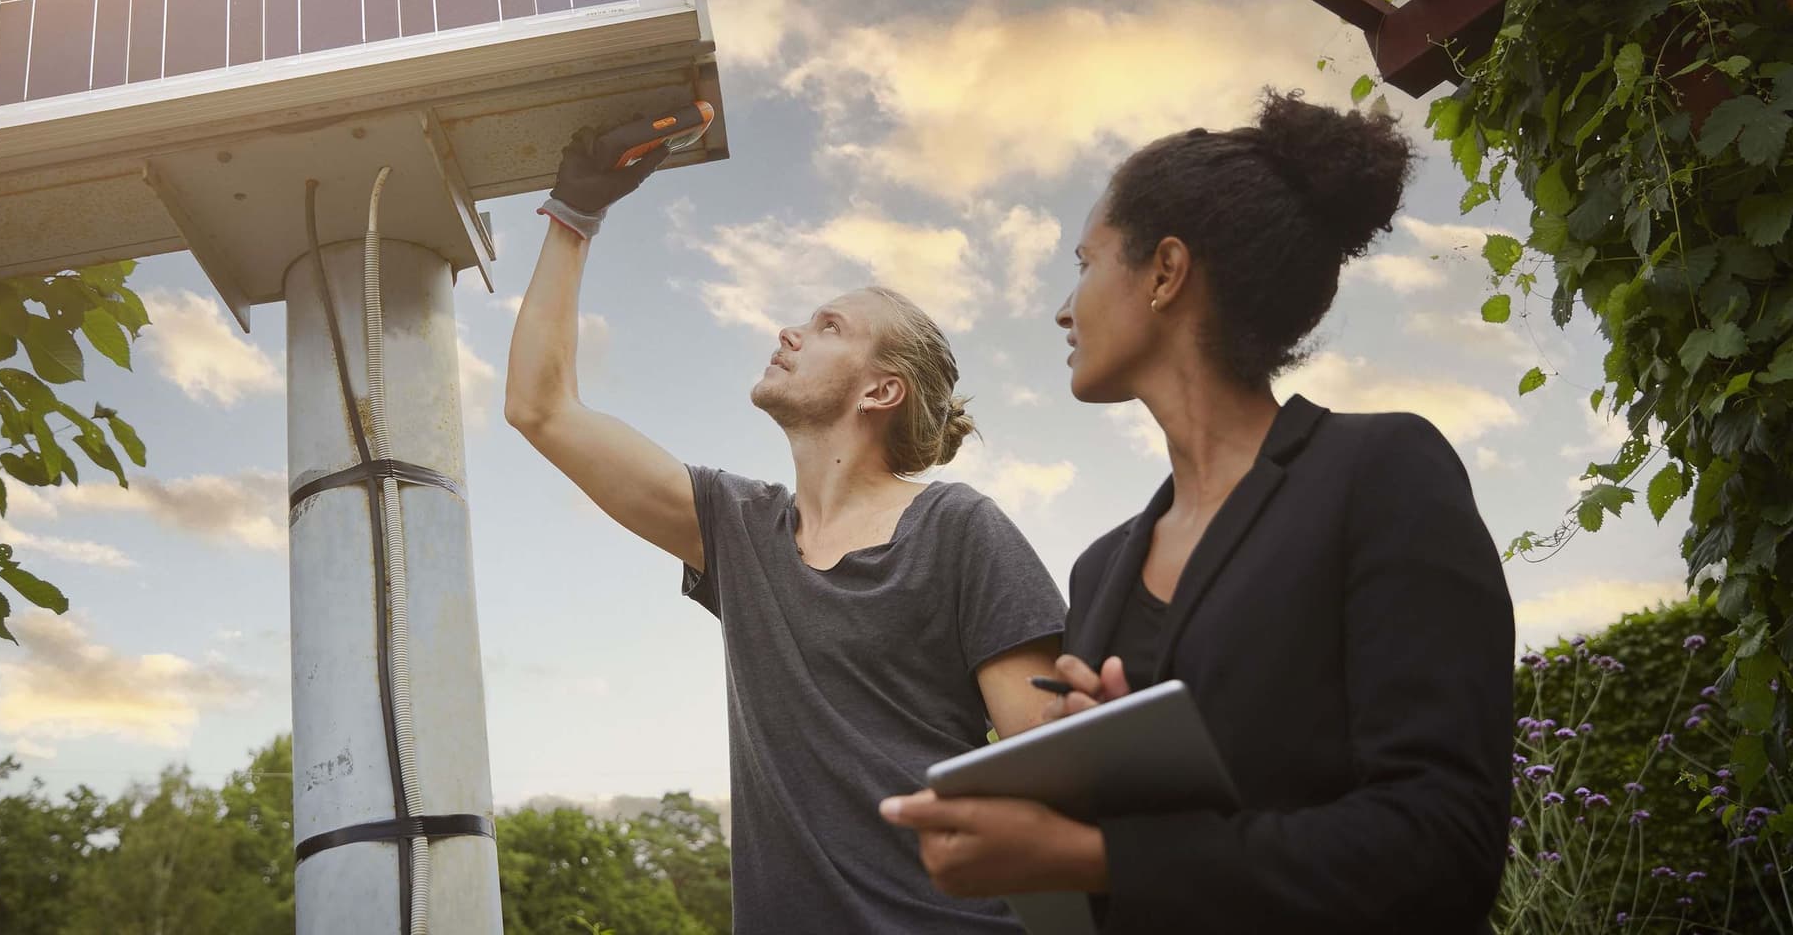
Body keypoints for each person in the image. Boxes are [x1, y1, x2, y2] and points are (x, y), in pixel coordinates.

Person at [880, 90, 1516, 933]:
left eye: (1085, 261)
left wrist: (1098, 856)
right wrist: (1100, 781)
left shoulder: (1381, 473)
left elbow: (1443, 847)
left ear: (1166, 272)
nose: (1063, 308)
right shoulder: (1100, 569)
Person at [503, 125, 1069, 933]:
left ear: (881, 392)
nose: (790, 332)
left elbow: (1051, 780)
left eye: (829, 327)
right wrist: (574, 215)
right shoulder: (738, 531)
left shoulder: (960, 528)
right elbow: (540, 407)